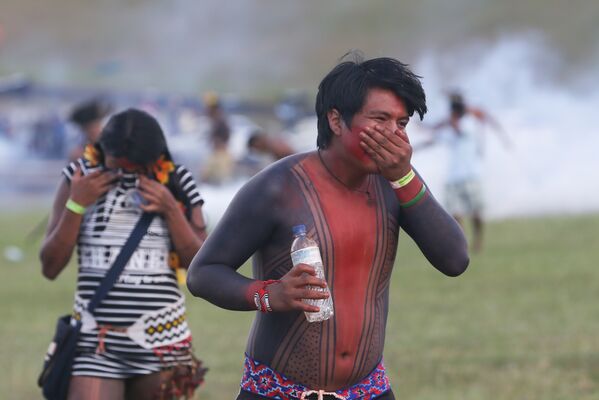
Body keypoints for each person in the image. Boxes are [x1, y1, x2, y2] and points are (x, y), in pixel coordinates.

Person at [186, 54, 469, 399]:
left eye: (402, 124)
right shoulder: (279, 188)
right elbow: (203, 273)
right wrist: (268, 294)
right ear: (336, 120)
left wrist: (404, 178)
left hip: (369, 390)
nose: (394, 135)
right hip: (279, 391)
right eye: (380, 119)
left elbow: (455, 260)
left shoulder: (395, 182)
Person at [40, 108, 208, 399]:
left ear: (155, 158)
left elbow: (200, 268)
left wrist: (170, 209)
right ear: (103, 150)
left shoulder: (177, 181)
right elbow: (50, 267)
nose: (125, 174)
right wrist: (77, 204)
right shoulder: (78, 178)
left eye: (135, 168)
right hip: (95, 342)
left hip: (163, 343)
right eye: (117, 165)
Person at [427, 91, 510, 252]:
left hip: (471, 175)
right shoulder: (451, 125)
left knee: (476, 213)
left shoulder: (470, 123)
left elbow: (461, 126)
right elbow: (436, 137)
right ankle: (462, 243)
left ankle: (478, 242)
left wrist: (503, 137)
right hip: (453, 177)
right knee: (455, 214)